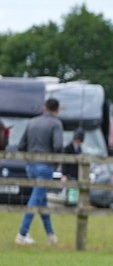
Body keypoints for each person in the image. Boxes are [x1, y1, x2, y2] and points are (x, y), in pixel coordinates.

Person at [15, 98, 64, 245]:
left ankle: (51, 235)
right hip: (45, 166)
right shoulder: (56, 123)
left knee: (41, 200)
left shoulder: (32, 122)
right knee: (36, 199)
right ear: (57, 109)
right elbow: (57, 146)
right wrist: (56, 161)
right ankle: (22, 233)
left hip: (30, 167)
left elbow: (21, 145)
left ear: (44, 107)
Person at [62, 129, 86, 206]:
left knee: (74, 191)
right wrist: (64, 174)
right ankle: (70, 204)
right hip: (69, 173)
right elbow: (64, 162)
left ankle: (73, 204)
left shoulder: (79, 149)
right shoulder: (68, 148)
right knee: (69, 191)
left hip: (76, 174)